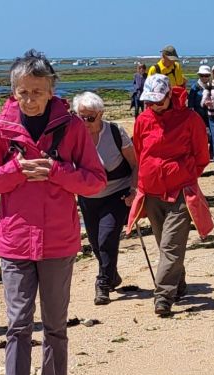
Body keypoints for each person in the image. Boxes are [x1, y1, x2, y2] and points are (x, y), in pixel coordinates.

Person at [0, 50, 105, 375]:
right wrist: (14, 171)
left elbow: (96, 181)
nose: (30, 100)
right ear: (13, 91)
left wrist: (56, 171)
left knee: (56, 325)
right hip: (15, 242)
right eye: (23, 92)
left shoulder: (73, 127)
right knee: (18, 325)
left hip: (58, 241)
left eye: (37, 92)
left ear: (50, 90)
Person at [126, 73, 214, 316]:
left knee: (171, 245)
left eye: (158, 100)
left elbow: (201, 156)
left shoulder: (190, 118)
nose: (154, 105)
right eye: (150, 101)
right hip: (151, 193)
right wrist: (141, 183)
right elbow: (140, 152)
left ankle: (163, 296)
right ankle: (178, 283)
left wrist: (184, 175)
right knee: (164, 244)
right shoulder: (143, 120)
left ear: (168, 96)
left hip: (181, 192)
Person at [72, 92, 137, 306]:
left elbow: (135, 164)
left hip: (116, 194)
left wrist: (134, 190)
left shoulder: (116, 132)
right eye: (80, 116)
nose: (85, 122)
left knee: (107, 237)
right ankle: (112, 275)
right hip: (87, 197)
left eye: (90, 118)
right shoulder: (72, 135)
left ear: (101, 114)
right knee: (95, 243)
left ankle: (102, 283)